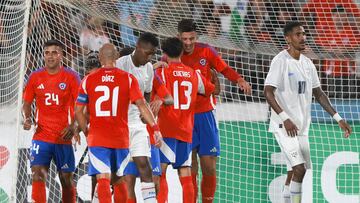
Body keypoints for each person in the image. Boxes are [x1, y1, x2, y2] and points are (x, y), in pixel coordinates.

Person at [263, 21, 352, 203]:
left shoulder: (308, 63)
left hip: (302, 128)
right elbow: (268, 92)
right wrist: (285, 118)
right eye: (298, 34)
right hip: (284, 126)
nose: (303, 37)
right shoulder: (280, 61)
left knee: (292, 171)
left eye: (303, 34)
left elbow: (319, 94)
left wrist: (338, 118)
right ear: (288, 38)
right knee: (300, 169)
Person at [75, 43, 162, 203]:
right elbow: (142, 105)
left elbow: (78, 111)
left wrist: (87, 132)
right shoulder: (128, 79)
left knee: (103, 179)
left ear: (100, 58)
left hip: (98, 137)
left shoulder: (88, 80)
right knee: (119, 179)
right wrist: (155, 128)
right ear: (116, 58)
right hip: (121, 137)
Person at [176, 18, 252, 203]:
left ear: (196, 36)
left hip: (206, 115)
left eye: (191, 39)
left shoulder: (206, 51)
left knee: (209, 167)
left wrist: (239, 80)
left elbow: (224, 68)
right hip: (184, 118)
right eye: (184, 39)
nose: (188, 43)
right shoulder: (172, 54)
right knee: (189, 166)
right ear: (178, 37)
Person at [156, 37, 215, 203]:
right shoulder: (192, 73)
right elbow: (210, 89)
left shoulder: (161, 72)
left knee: (161, 171)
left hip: (167, 128)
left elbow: (146, 85)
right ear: (182, 52)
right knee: (185, 172)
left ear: (164, 53)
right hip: (186, 129)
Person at [115, 32, 173, 203]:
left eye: (152, 54)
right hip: (120, 127)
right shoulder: (119, 65)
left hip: (140, 126)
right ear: (138, 47)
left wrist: (146, 110)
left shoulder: (148, 68)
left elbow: (147, 95)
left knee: (147, 172)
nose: (150, 58)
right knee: (122, 179)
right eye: (148, 53)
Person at [22, 39, 80, 203]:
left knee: (66, 179)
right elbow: (26, 103)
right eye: (47, 53)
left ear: (61, 55)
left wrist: (74, 125)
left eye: (54, 52)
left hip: (64, 136)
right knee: (37, 173)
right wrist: (27, 118)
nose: (50, 56)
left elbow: (81, 106)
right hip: (41, 136)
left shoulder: (71, 77)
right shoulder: (35, 77)